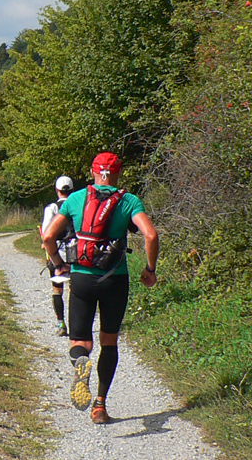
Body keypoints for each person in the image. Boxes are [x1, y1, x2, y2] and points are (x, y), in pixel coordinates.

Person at [42, 152, 159, 424]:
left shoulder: (75, 199)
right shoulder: (129, 201)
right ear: (118, 173)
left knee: (80, 341)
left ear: (93, 172)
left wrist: (59, 264)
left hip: (82, 279)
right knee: (109, 340)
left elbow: (48, 236)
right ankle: (100, 406)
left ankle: (80, 361)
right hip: (114, 280)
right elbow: (151, 235)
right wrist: (150, 269)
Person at [39, 175, 76, 337]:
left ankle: (61, 324)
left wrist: (45, 244)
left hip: (57, 252)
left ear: (57, 190)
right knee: (74, 289)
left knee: (57, 289)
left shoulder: (52, 208)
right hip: (77, 251)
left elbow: (46, 232)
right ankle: (76, 324)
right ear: (72, 189)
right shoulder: (79, 205)